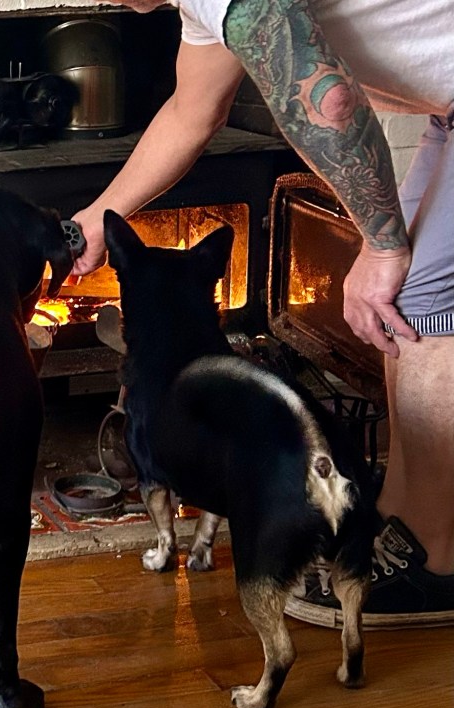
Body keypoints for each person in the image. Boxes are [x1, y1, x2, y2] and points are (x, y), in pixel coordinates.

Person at [72, 0, 454, 628]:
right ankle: (405, 517)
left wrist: (382, 245)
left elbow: (329, 103)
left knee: (424, 303)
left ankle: (436, 562)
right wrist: (97, 216)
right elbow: (191, 112)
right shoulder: (205, 10)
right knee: (408, 301)